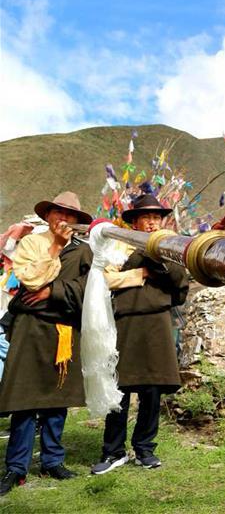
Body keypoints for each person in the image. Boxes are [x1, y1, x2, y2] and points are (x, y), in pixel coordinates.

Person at [0, 192, 92, 495]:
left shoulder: (83, 252)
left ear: (77, 221)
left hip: (62, 331)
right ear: (47, 215)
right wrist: (55, 247)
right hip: (29, 328)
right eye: (57, 213)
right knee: (24, 401)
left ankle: (53, 461)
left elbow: (88, 291)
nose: (62, 219)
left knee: (56, 401)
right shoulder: (31, 244)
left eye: (69, 215)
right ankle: (16, 467)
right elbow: (29, 279)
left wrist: (53, 292)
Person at [90, 194, 188, 474]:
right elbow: (107, 279)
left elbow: (180, 285)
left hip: (157, 323)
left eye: (156, 217)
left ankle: (145, 448)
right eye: (146, 217)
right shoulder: (118, 247)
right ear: (134, 222)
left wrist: (159, 261)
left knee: (152, 390)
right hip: (124, 323)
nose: (152, 222)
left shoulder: (170, 246)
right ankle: (113, 451)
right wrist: (142, 263)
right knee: (118, 389)